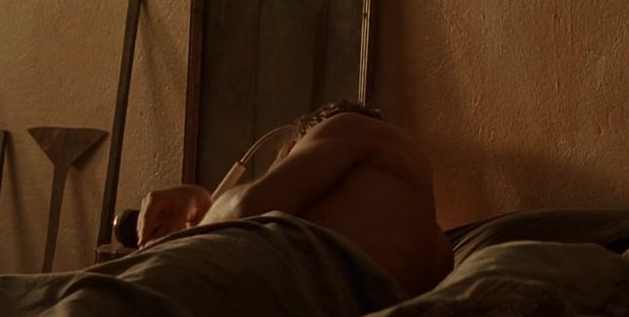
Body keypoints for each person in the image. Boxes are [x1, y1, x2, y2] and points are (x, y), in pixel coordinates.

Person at [137, 101, 454, 299]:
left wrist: (198, 210)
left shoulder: (350, 125)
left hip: (285, 277)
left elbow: (246, 207)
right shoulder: (438, 249)